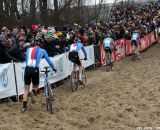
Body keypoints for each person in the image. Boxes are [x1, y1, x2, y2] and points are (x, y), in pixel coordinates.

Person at [22, 38, 57, 112]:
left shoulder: (28, 49)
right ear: (41, 45)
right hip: (35, 69)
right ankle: (33, 92)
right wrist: (53, 68)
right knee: (35, 86)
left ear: (34, 44)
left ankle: (24, 107)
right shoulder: (42, 50)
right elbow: (49, 61)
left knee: (26, 89)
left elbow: (26, 60)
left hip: (27, 69)